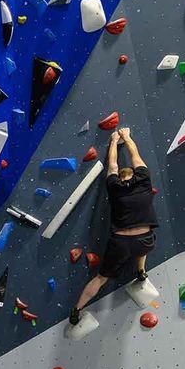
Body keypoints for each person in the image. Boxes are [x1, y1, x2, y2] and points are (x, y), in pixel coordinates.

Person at [69, 127, 158, 325]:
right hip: (144, 240)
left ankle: (77, 310)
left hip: (121, 243)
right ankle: (140, 270)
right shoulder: (144, 180)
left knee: (101, 278)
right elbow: (135, 155)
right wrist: (126, 137)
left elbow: (112, 165)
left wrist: (113, 141)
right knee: (144, 246)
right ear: (134, 175)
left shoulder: (114, 187)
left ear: (120, 178)